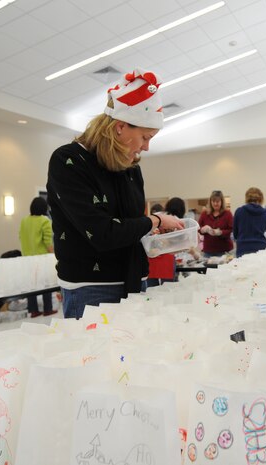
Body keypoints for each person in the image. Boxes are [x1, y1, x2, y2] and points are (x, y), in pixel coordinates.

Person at [47, 69, 184, 319]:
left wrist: (156, 234)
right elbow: (101, 233)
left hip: (135, 282)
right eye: (145, 137)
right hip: (91, 289)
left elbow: (129, 226)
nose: (146, 146)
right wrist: (155, 220)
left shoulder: (131, 169)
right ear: (120, 127)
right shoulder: (69, 161)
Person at [18, 196, 57, 318]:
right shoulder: (44, 221)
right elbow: (48, 242)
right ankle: (47, 309)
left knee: (31, 285)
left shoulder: (24, 220)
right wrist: (55, 255)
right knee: (46, 284)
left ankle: (33, 310)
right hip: (42, 258)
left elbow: (20, 237)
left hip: (26, 258)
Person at [147, 197, 186, 287]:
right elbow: (180, 241)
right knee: (168, 288)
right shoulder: (176, 220)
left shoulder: (157, 215)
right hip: (167, 255)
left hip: (152, 255)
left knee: (151, 289)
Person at [233, 187, 266, 258]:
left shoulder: (239, 212)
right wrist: (265, 242)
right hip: (260, 250)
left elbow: (235, 235)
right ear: (261, 199)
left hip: (242, 250)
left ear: (247, 198)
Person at [198, 190, 234, 257]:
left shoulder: (228, 214)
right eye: (213, 201)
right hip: (208, 251)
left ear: (222, 202)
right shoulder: (204, 214)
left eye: (217, 201)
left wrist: (220, 232)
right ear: (210, 202)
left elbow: (231, 229)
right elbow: (198, 228)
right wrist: (202, 230)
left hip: (224, 250)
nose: (215, 204)